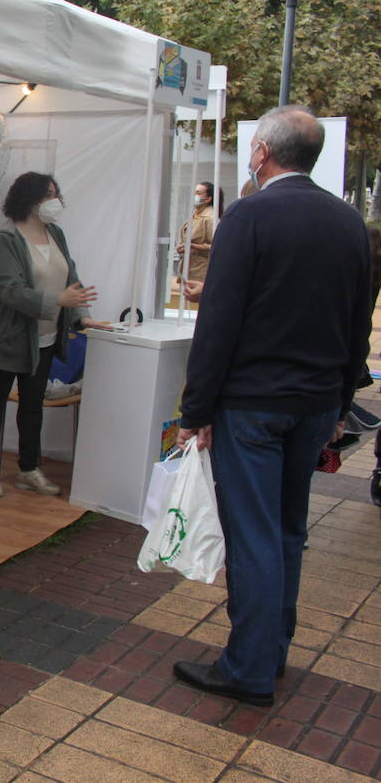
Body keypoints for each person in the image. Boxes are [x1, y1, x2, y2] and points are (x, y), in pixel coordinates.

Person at [174, 106, 372, 707]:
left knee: (254, 533)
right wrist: (340, 402)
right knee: (287, 529)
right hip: (313, 405)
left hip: (254, 406)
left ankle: (250, 667)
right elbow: (358, 321)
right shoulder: (349, 223)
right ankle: (271, 648)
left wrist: (195, 410)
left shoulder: (250, 217)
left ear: (260, 153)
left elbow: (220, 321)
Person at [0, 172, 99, 497]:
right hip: (3, 337)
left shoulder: (56, 233)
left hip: (46, 337)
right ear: (27, 198)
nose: (53, 201)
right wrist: (58, 301)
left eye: (55, 193)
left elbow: (72, 276)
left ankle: (29, 469)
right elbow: (10, 291)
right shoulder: (5, 239)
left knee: (32, 404)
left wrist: (82, 317)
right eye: (46, 195)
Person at [175, 181, 221, 296]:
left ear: (208, 198)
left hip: (201, 272)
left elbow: (217, 246)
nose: (194, 196)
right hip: (189, 269)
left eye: (198, 193)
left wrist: (192, 246)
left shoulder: (210, 218)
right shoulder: (195, 215)